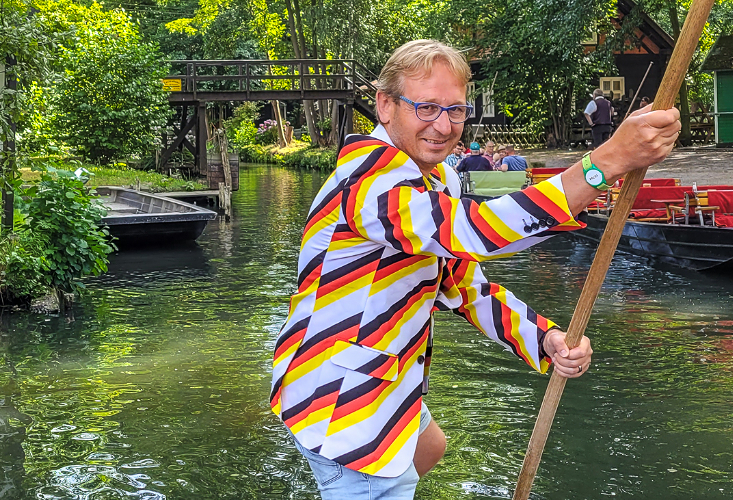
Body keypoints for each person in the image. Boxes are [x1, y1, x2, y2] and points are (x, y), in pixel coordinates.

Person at [270, 39, 680, 499]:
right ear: (385, 106)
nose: (443, 126)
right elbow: (474, 231)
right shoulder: (368, 180)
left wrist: (544, 339)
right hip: (339, 396)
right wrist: (609, 160)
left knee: (429, 448)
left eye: (456, 110)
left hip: (384, 380)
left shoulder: (436, 178)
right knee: (388, 481)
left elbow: (466, 287)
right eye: (425, 108)